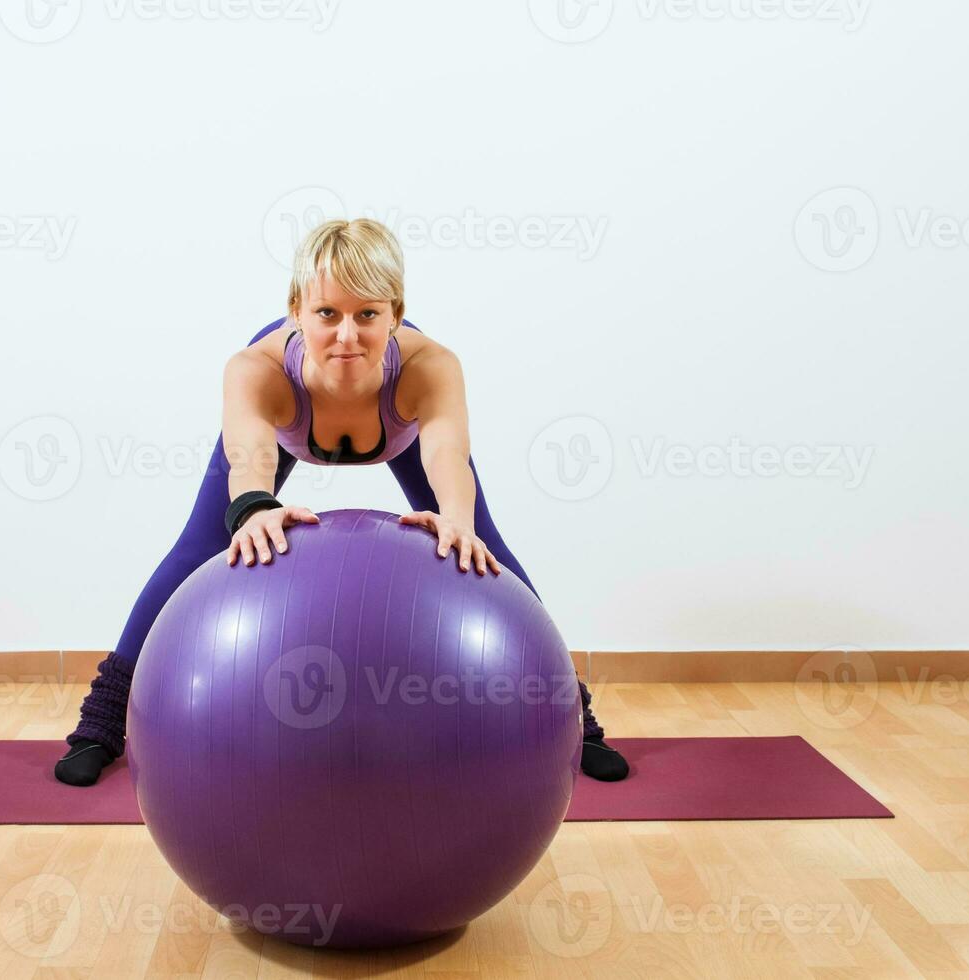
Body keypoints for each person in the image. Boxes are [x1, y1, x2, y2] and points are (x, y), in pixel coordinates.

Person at [57, 218, 628, 785]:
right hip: (285, 430)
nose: (347, 336)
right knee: (198, 548)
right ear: (296, 310)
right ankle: (99, 725)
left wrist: (456, 520)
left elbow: (447, 457)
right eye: (327, 313)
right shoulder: (256, 371)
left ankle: (580, 722)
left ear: (395, 314)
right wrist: (255, 509)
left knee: (482, 547)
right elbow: (249, 460)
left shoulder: (430, 368)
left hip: (398, 428)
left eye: (368, 315)